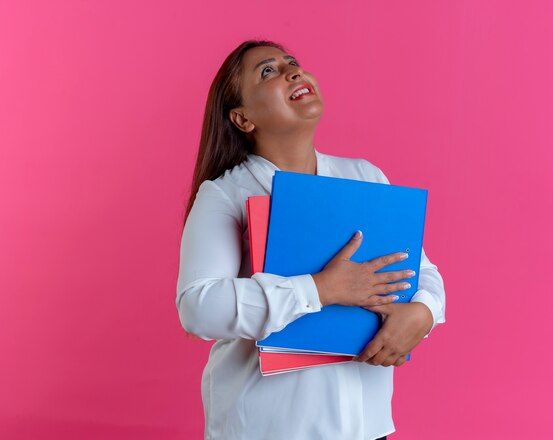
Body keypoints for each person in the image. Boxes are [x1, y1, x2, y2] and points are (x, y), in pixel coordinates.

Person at [176, 39, 446, 440]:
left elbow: (422, 272)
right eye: (267, 71)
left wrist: (423, 313)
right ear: (243, 118)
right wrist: (320, 289)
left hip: (365, 426)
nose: (292, 71)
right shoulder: (226, 195)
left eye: (292, 63)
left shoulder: (365, 177)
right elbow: (198, 307)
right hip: (269, 428)